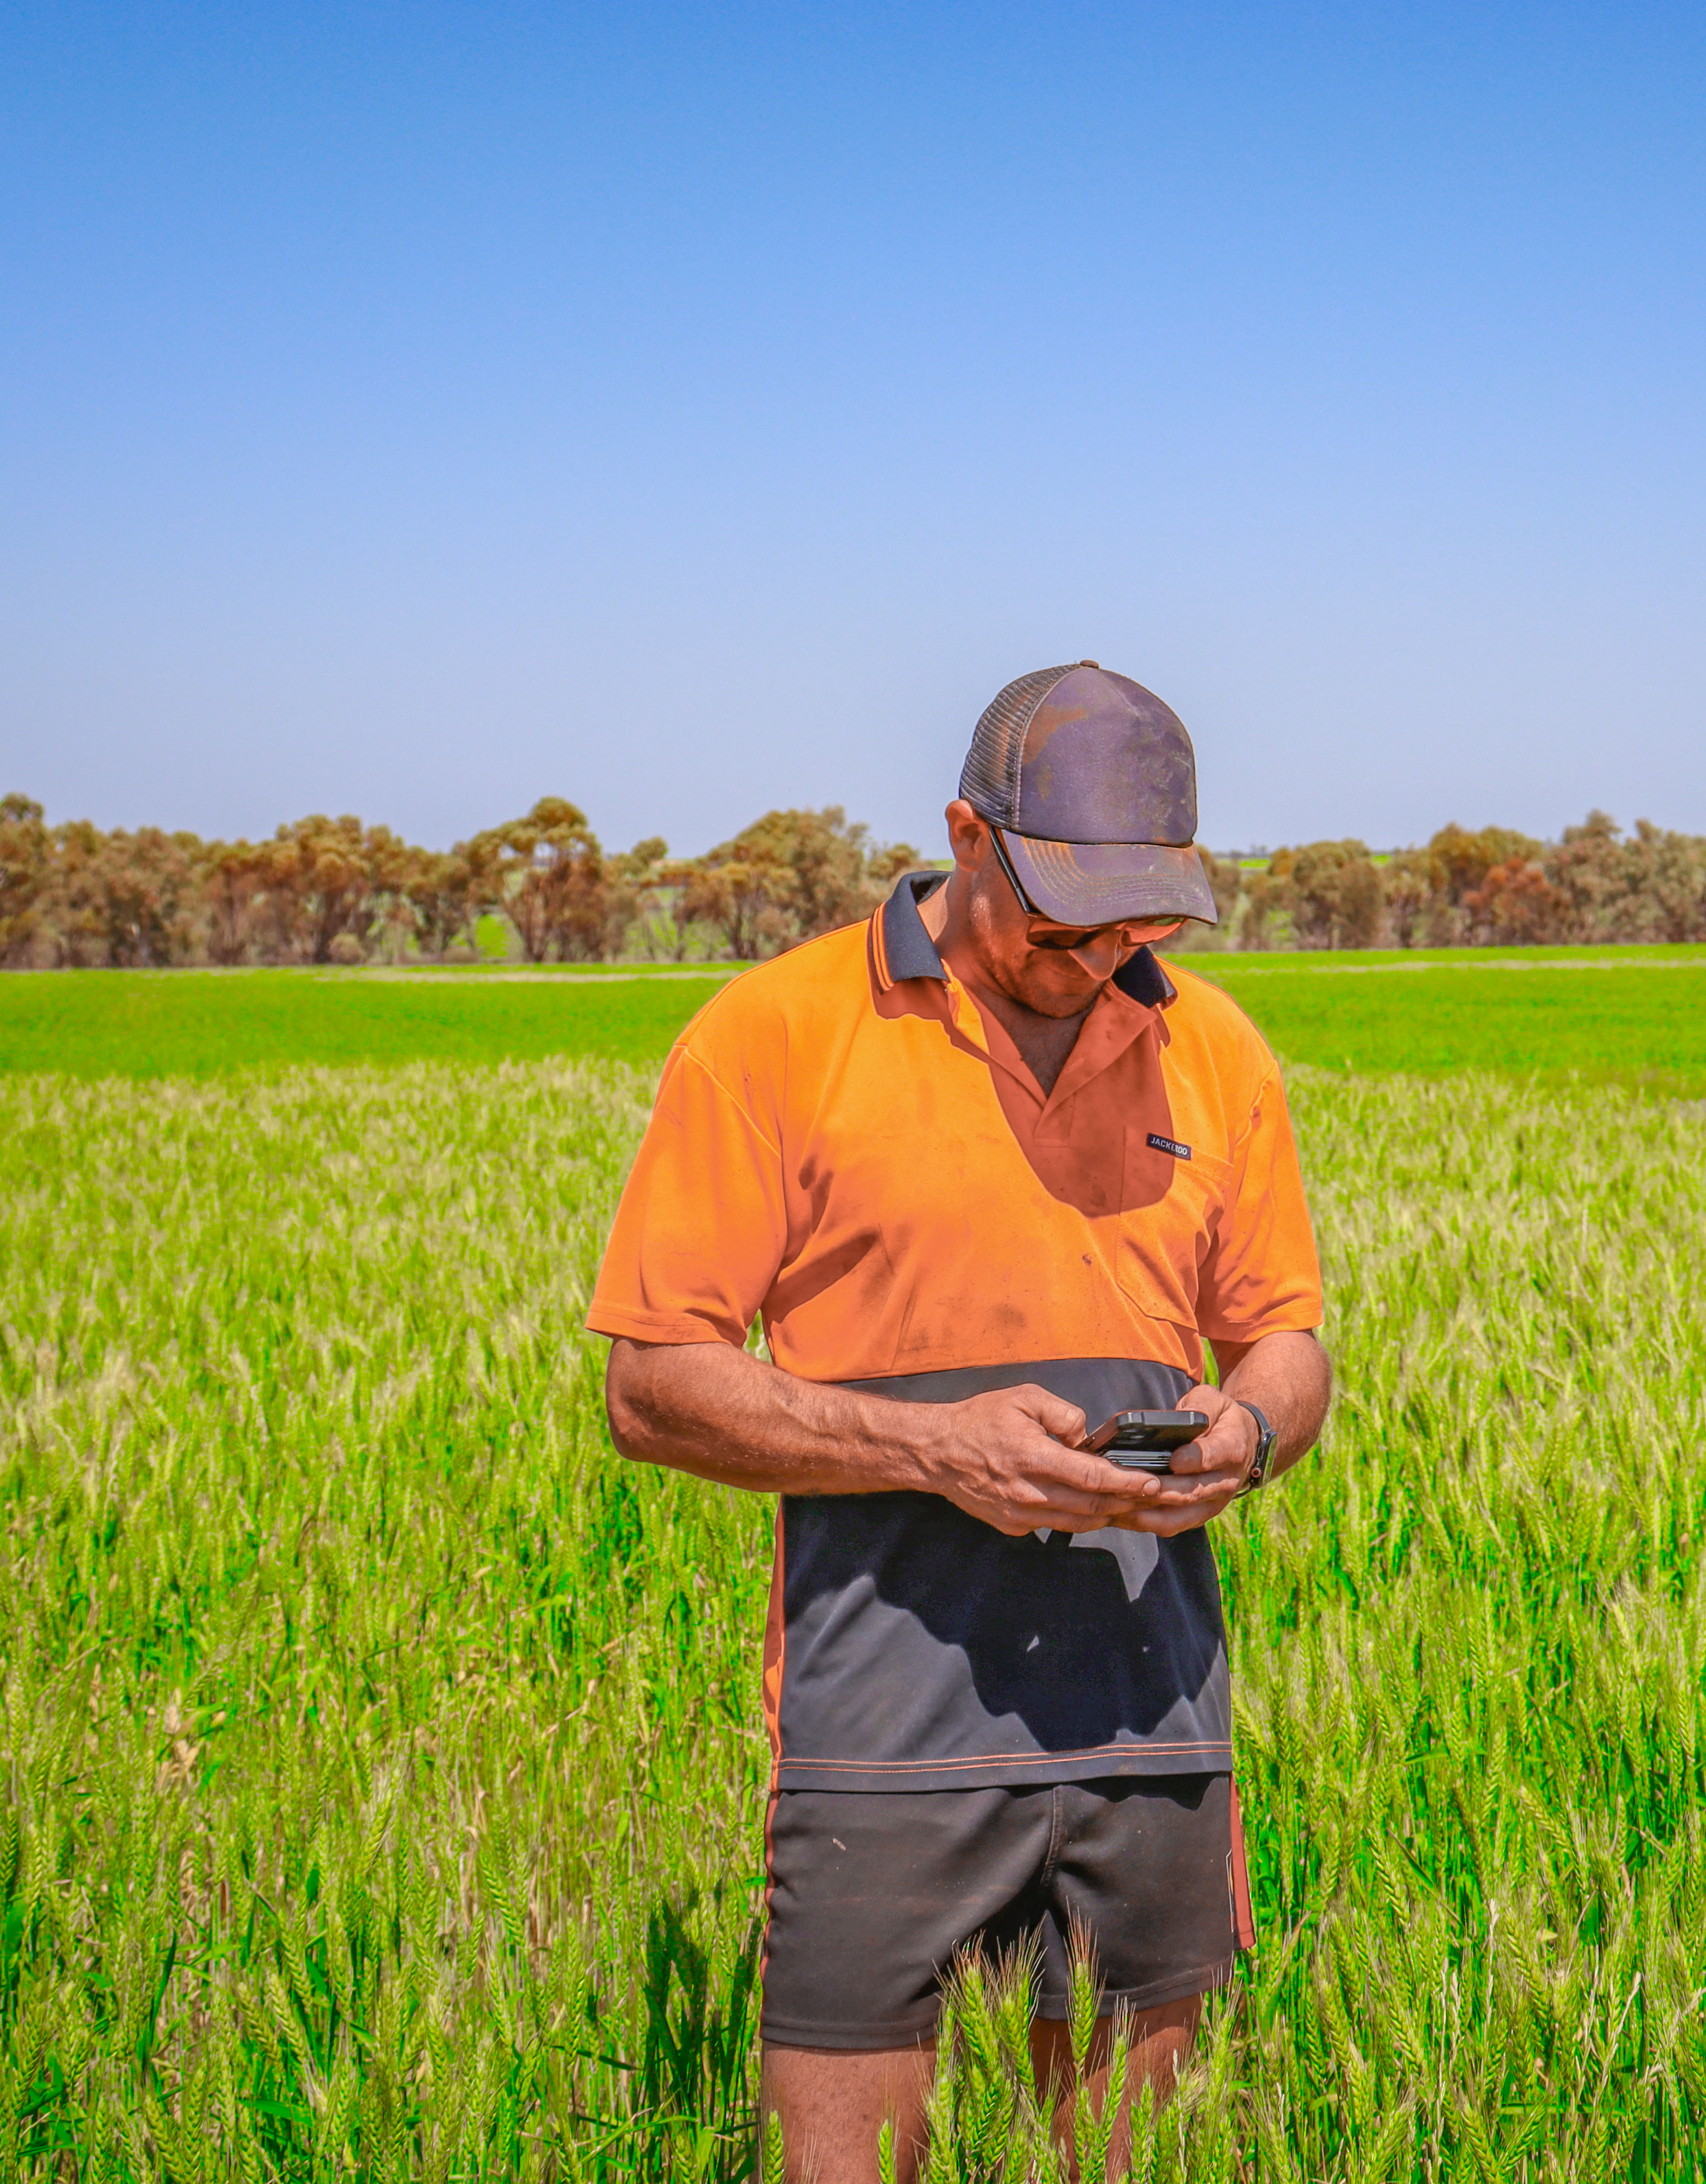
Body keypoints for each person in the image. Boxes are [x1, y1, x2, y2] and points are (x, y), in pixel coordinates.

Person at [589, 662, 1334, 2183]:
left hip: (1155, 1726)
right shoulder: (774, 1034)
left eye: (1141, 918)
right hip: (886, 1742)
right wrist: (936, 1449)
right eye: (1065, 913)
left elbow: (1286, 1340)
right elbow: (651, 1384)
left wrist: (1246, 1436)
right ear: (964, 837)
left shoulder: (1219, 1049)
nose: (1103, 952)